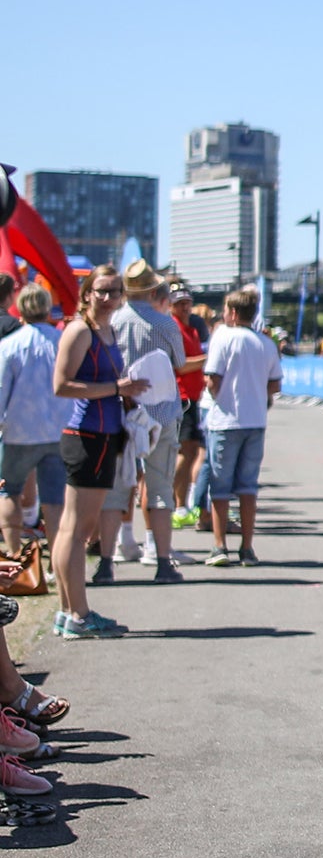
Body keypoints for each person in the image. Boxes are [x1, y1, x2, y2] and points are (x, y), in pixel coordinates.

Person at [50, 266, 145, 638]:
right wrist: (117, 388)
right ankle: (78, 614)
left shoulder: (107, 331)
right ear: (87, 293)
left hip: (102, 434)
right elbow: (61, 385)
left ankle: (67, 611)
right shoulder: (80, 330)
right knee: (78, 530)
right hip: (88, 435)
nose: (108, 298)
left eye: (115, 292)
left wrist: (123, 393)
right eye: (101, 291)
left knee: (72, 529)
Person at [108, 261, 189, 581]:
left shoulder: (112, 321)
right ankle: (162, 559)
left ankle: (109, 557)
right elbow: (179, 363)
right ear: (153, 290)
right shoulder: (165, 324)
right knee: (159, 488)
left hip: (122, 408)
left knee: (116, 487)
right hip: (160, 412)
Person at [198, 286, 279, 567]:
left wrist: (220, 398)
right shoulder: (266, 344)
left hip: (225, 420)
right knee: (247, 487)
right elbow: (275, 383)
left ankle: (219, 545)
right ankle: (247, 547)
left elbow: (212, 379)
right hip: (255, 420)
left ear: (232, 312)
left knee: (220, 487)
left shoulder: (223, 337)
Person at [0, 284, 66, 551]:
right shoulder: (62, 341)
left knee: (9, 491)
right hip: (58, 429)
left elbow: (2, 388)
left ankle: (15, 552)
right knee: (54, 499)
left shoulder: (10, 345)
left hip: (19, 430)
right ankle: (58, 556)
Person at [169, 285, 209, 530]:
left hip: (195, 397)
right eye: (180, 303)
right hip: (182, 398)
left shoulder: (192, 330)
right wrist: (208, 358)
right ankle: (178, 504)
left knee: (192, 451)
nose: (185, 307)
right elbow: (180, 365)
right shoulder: (174, 328)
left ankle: (185, 503)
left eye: (188, 302)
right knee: (184, 453)